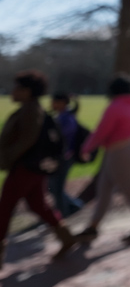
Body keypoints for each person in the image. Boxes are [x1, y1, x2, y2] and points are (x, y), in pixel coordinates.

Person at [0, 71, 76, 268]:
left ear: (27, 91)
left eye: (18, 88)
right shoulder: (32, 109)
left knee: (4, 208)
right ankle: (66, 237)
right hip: (34, 169)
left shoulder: (30, 111)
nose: (13, 91)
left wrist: (6, 159)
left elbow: (26, 140)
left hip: (24, 168)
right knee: (38, 205)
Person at [75, 74, 130, 244]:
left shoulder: (115, 106)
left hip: (120, 150)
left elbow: (102, 131)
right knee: (105, 187)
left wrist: (86, 148)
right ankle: (93, 227)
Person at [47, 92, 84, 218]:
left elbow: (61, 139)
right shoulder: (63, 116)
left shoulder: (66, 119)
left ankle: (62, 216)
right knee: (52, 186)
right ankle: (74, 205)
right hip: (62, 157)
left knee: (56, 188)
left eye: (54, 101)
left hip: (65, 157)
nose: (51, 104)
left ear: (62, 102)